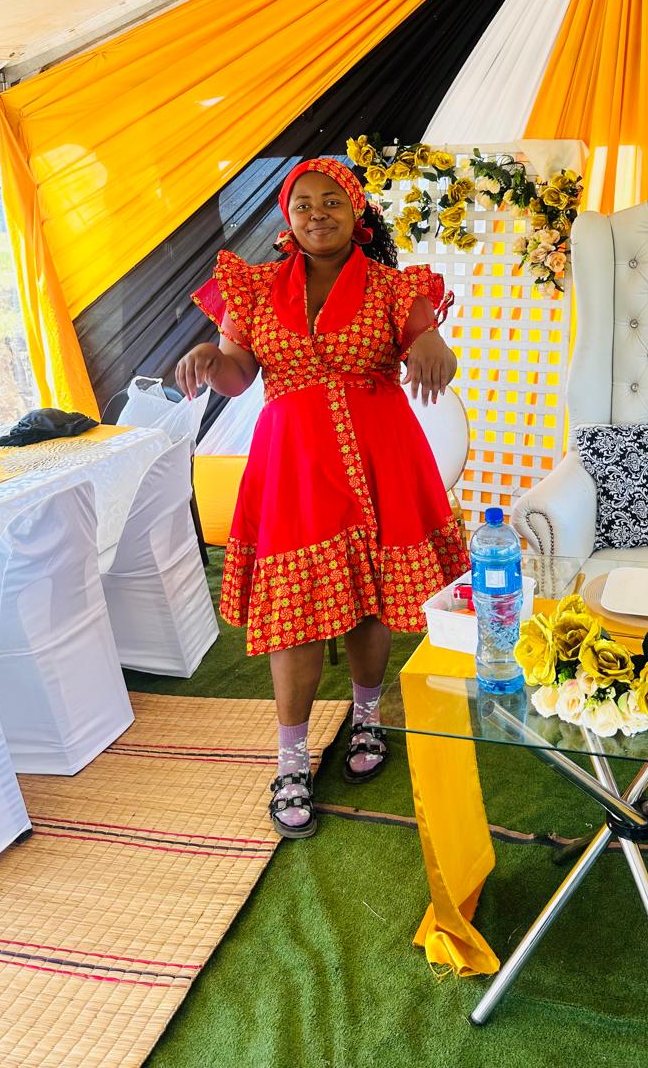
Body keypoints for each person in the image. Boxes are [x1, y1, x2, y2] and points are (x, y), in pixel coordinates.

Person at [176, 158, 469, 837]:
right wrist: (211, 362)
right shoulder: (253, 288)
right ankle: (291, 759)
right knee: (296, 613)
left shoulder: (396, 286)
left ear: (357, 210)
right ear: (288, 217)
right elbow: (237, 374)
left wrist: (433, 346)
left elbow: (432, 350)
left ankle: (367, 718)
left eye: (331, 201)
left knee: (371, 598)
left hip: (381, 458)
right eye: (303, 203)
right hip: (296, 467)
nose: (317, 213)